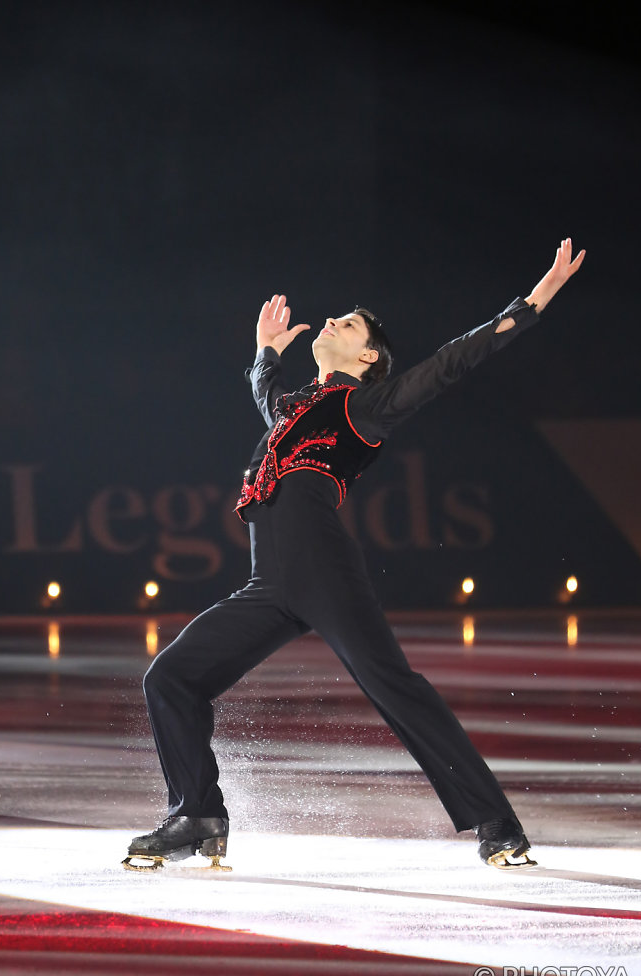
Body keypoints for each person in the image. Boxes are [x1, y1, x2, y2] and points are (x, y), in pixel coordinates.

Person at [124, 239, 585, 873]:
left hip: (323, 572)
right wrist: (262, 354)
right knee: (169, 679)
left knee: (395, 688)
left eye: (348, 324)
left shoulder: (368, 404)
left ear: (367, 356)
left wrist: (532, 303)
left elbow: (452, 362)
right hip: (269, 585)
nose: (332, 322)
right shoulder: (294, 409)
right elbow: (269, 401)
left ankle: (496, 824)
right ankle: (196, 815)